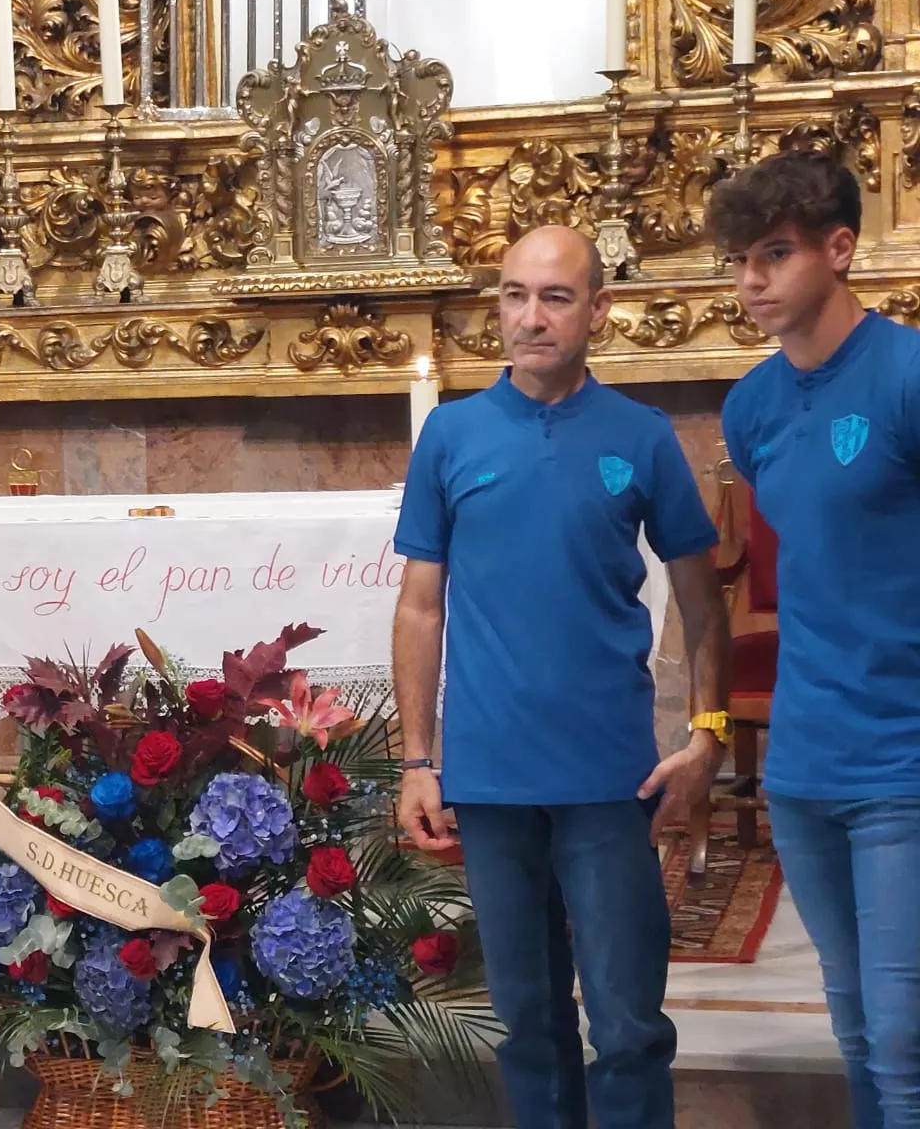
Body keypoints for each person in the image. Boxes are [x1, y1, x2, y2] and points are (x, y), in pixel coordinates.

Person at [392, 226, 732, 1129]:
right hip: (492, 774)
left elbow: (703, 603)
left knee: (625, 1025)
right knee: (527, 1022)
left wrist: (709, 735)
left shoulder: (641, 437)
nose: (529, 318)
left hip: (607, 775)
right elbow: (420, 607)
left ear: (597, 311)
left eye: (554, 297)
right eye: (513, 295)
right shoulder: (453, 435)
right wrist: (417, 762)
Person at [712, 151, 920, 1129]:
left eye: (775, 254)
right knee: (850, 1027)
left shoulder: (907, 376)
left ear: (840, 250)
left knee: (904, 1034)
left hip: (903, 753)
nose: (751, 279)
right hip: (801, 759)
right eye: (740, 260)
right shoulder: (751, 408)